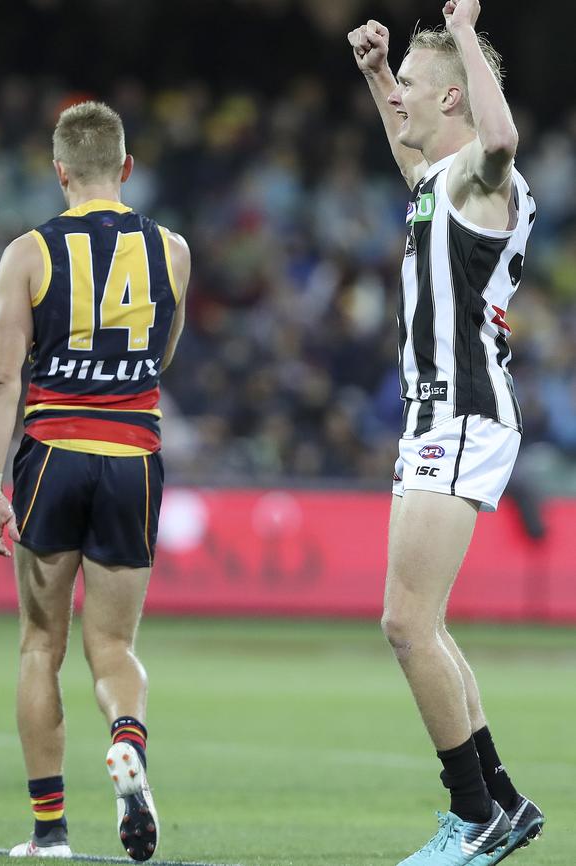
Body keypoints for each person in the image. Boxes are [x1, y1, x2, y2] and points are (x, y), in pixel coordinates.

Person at [348, 2, 543, 865]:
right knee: (428, 624)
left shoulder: (480, 173)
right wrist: (379, 74)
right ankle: (503, 799)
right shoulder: (439, 180)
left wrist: (463, 31)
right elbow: (407, 152)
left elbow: (500, 140)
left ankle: (471, 819)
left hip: (459, 412)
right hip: (441, 412)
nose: (403, 104)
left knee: (405, 624)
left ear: (457, 100)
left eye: (417, 92)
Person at [0, 100, 190, 861]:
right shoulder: (172, 249)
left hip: (54, 452)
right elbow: (163, 353)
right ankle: (127, 743)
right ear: (127, 168)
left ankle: (50, 831)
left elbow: (4, 378)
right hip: (133, 456)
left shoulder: (27, 253)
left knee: (41, 644)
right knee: (114, 646)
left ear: (59, 171)